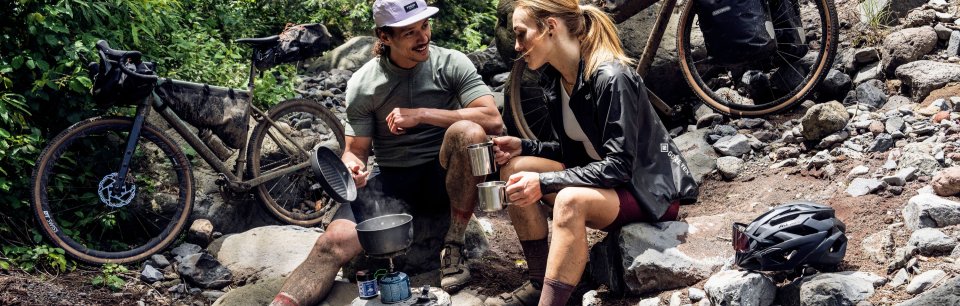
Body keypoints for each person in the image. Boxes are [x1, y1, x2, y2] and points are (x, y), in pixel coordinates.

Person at [270, 0, 503, 305]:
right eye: (410, 33)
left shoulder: (451, 63)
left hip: (445, 178)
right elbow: (355, 151)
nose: (423, 37)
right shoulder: (364, 84)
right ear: (384, 37)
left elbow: (491, 119)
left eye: (425, 26)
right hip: (394, 184)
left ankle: (454, 245)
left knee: (469, 132)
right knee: (332, 243)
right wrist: (352, 169)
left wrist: (422, 114)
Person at [485, 0, 698, 305]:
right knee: (516, 171)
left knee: (569, 200)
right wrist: (525, 146)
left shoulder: (611, 77)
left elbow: (619, 167)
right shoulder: (557, 81)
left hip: (644, 191)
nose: (517, 47)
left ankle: (552, 301)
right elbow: (580, 148)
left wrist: (544, 182)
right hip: (605, 183)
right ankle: (540, 280)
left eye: (521, 34)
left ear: (550, 27)